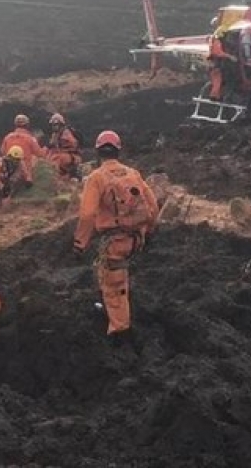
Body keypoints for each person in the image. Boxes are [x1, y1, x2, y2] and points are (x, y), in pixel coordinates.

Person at [72, 130, 159, 343]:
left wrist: (79, 243)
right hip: (135, 238)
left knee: (114, 284)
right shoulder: (133, 174)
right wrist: (148, 233)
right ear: (118, 150)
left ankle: (120, 333)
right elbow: (153, 206)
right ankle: (113, 310)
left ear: (98, 151)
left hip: (115, 242)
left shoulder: (97, 177)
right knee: (106, 274)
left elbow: (87, 214)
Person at [0, 114, 46, 189]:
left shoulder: (7, 137)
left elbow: (2, 151)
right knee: (36, 158)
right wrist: (46, 148)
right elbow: (40, 154)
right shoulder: (31, 139)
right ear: (27, 125)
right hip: (24, 174)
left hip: (9, 171)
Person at [45, 113, 82, 180]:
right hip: (63, 154)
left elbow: (74, 145)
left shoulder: (66, 133)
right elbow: (51, 146)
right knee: (48, 157)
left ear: (61, 124)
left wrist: (63, 145)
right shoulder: (55, 134)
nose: (54, 126)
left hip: (72, 156)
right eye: (53, 125)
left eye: (56, 124)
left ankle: (60, 175)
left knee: (57, 159)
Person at [207, 30, 238, 101]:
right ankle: (215, 96)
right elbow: (219, 53)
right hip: (217, 65)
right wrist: (230, 57)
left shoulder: (213, 41)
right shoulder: (217, 42)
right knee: (218, 81)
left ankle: (217, 96)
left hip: (215, 65)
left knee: (218, 81)